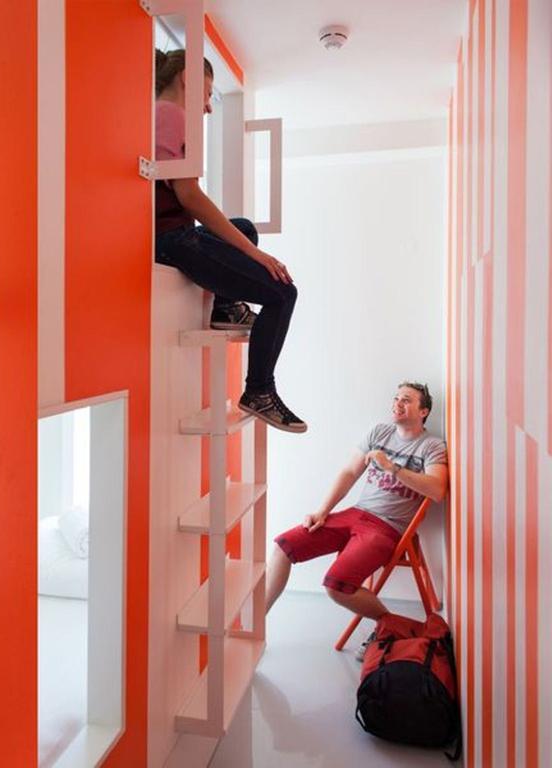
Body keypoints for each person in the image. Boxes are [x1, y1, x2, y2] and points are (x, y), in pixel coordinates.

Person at [154, 49, 305, 433]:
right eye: (207, 93)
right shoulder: (172, 115)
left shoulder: (160, 114)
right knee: (283, 293)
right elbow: (189, 196)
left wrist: (245, 243)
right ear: (187, 79)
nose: (208, 106)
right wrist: (256, 255)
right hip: (171, 239)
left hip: (171, 234)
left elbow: (186, 196)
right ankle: (259, 391)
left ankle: (226, 309)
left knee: (244, 227)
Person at [264, 382, 449, 658]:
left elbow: (437, 490)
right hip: (355, 514)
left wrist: (393, 468)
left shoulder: (431, 445)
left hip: (386, 527)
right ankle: (257, 623)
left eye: (407, 400)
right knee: (283, 547)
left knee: (336, 587)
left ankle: (390, 624)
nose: (397, 403)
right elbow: (350, 473)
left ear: (423, 412)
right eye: (396, 397)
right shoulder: (380, 432)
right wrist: (323, 511)